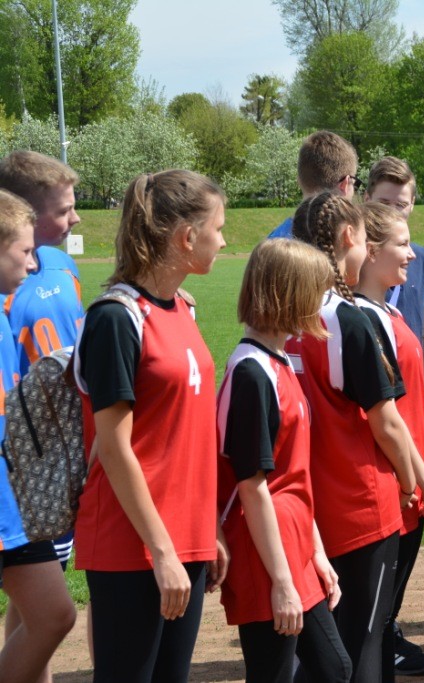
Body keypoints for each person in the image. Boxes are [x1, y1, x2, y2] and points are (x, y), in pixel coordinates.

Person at [74, 169, 229, 683]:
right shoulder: (116, 318)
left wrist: (207, 530)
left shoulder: (183, 308)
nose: (222, 240)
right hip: (133, 544)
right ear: (186, 236)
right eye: (217, 228)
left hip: (186, 537)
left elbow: (189, 438)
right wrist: (161, 551)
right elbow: (115, 449)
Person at [286, 191, 418, 683]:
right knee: (363, 638)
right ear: (348, 237)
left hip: (305, 502)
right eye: (363, 238)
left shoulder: (283, 314)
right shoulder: (345, 318)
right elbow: (387, 421)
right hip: (359, 502)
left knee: (325, 645)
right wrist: (410, 481)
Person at [216, 238, 352, 683]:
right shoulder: (252, 372)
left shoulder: (276, 363)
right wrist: (280, 580)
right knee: (277, 673)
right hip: (265, 552)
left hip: (293, 543)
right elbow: (252, 485)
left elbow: (295, 477)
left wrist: (316, 553)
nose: (321, 302)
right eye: (316, 290)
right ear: (290, 294)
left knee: (333, 667)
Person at [353, 202, 424, 681]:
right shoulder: (363, 318)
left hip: (408, 478)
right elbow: (383, 417)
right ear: (371, 251)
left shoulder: (387, 310)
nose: (413, 254)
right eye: (402, 244)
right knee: (370, 625)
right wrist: (419, 480)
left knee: (382, 618)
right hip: (394, 485)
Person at [0, 149, 85, 584]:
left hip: (73, 439)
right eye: (64, 210)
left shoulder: (63, 264)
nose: (76, 219)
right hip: (31, 452)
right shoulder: (6, 284)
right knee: (46, 586)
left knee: (48, 588)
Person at [0, 188, 75, 683]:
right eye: (24, 251)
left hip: (12, 499)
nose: (33, 264)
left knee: (51, 614)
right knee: (52, 615)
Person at [268, 131, 359, 239]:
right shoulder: (352, 242)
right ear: (345, 184)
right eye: (354, 183)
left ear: (299, 180)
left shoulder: (273, 241)